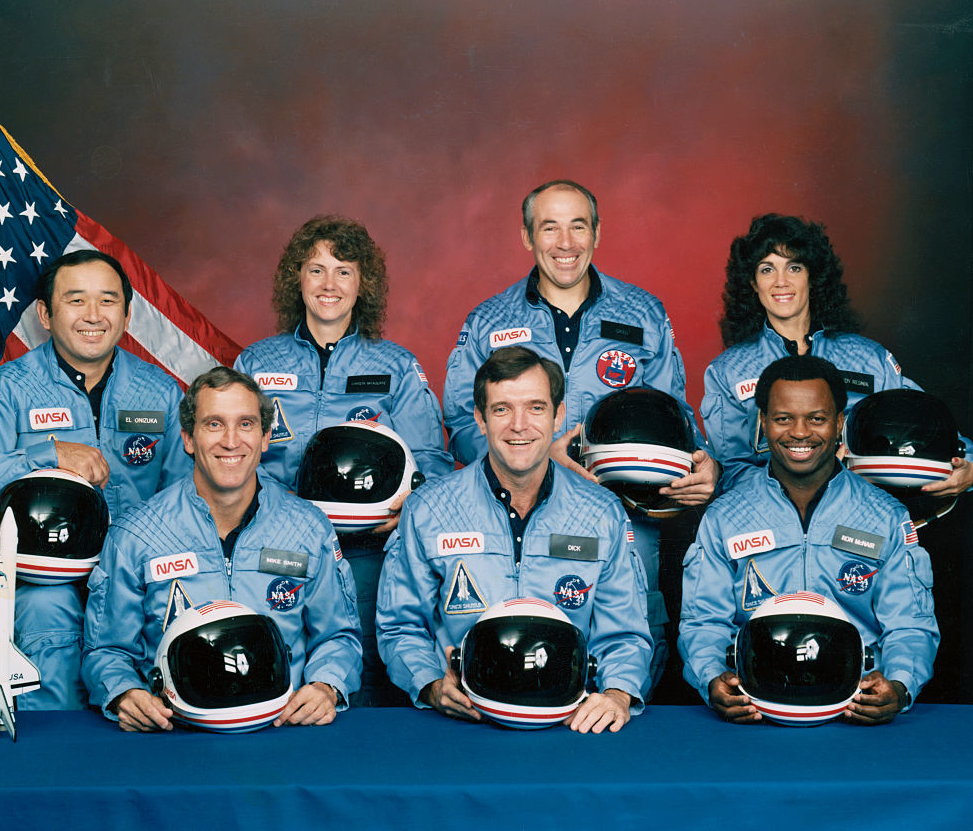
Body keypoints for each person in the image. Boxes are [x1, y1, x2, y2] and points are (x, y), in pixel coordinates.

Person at [442, 180, 717, 691]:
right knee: (523, 658)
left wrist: (700, 466)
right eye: (549, 227)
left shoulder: (644, 314)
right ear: (527, 237)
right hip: (515, 517)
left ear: (597, 233)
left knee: (626, 658)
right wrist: (535, 458)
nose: (565, 242)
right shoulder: (488, 320)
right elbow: (461, 422)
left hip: (626, 520)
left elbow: (675, 418)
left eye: (578, 226)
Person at [0, 249, 189, 710]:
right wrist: (47, 454)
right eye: (76, 301)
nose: (93, 316)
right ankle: (50, 766)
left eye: (108, 301)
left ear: (126, 313)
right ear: (45, 313)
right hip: (42, 581)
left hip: (136, 578)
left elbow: (187, 496)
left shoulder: (158, 390)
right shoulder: (7, 390)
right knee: (46, 611)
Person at [234, 216, 453, 706]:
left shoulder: (395, 365)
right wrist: (278, 506)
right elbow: (232, 454)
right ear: (297, 278)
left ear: (363, 284)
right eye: (316, 270)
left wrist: (405, 509)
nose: (329, 285)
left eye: (344, 271)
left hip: (368, 555)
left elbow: (432, 462)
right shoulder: (256, 363)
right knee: (279, 674)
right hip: (277, 550)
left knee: (370, 674)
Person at [377, 347, 653, 733]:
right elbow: (399, 625)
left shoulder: (600, 512)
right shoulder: (430, 509)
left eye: (536, 408)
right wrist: (430, 683)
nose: (519, 425)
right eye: (502, 409)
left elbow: (625, 634)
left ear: (558, 416)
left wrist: (617, 694)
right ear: (480, 418)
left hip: (571, 723)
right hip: (464, 723)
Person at [81, 367, 362, 732]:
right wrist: (123, 691)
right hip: (176, 735)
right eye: (214, 424)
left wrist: (327, 685)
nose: (231, 441)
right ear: (187, 438)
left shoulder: (308, 528)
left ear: (264, 438)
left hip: (282, 730)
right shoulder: (136, 534)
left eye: (245, 424)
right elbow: (107, 650)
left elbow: (338, 637)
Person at [680, 355, 938, 725]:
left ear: (839, 424)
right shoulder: (726, 516)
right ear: (763, 423)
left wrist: (899, 684)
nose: (800, 433)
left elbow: (910, 623)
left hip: (855, 706)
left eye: (816, 419)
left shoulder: (884, 515)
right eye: (784, 419)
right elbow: (703, 622)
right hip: (756, 706)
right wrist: (710, 679)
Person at [702, 213, 972, 493]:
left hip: (862, 514)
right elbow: (729, 472)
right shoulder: (728, 370)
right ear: (752, 283)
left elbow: (928, 428)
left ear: (812, 276)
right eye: (767, 269)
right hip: (772, 522)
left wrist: (970, 468)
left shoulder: (868, 359)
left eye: (794, 268)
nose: (780, 281)